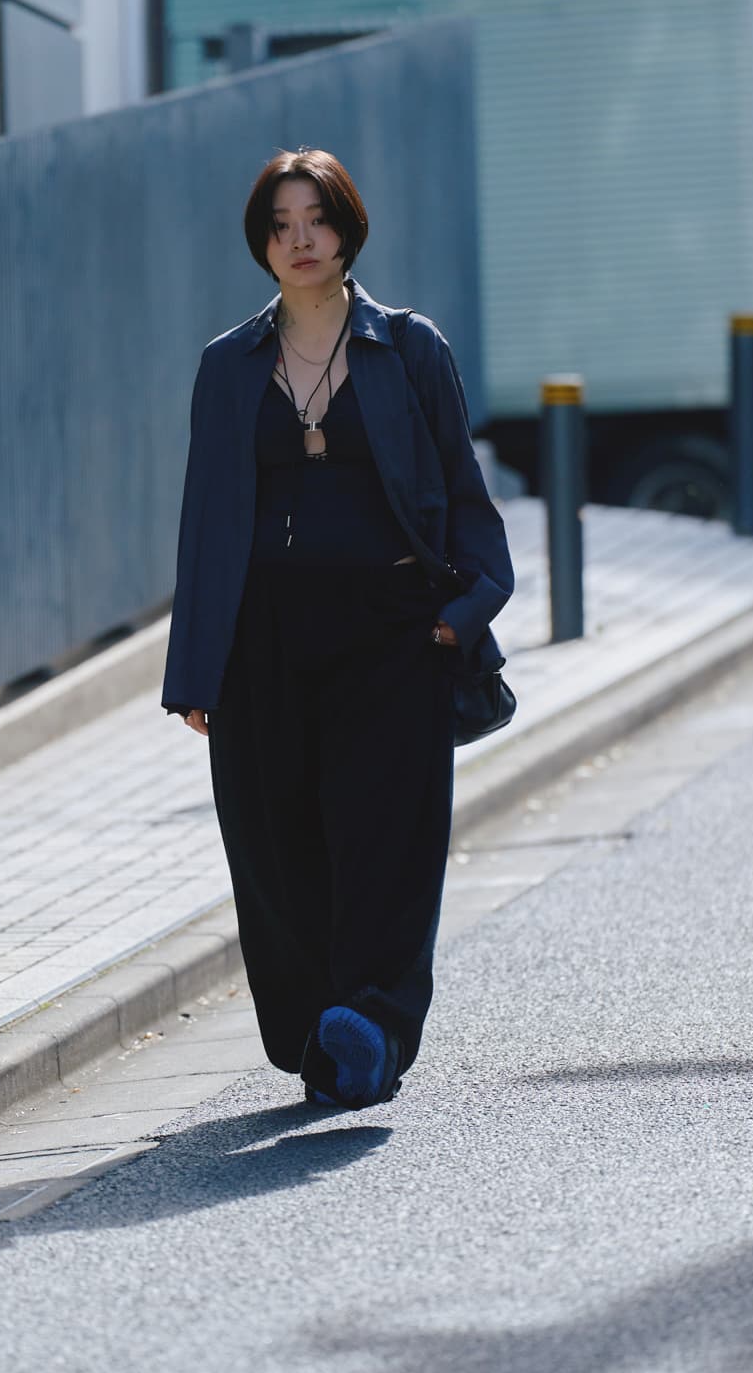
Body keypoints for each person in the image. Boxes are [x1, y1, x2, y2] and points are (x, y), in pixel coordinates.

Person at [162, 147, 513, 1109]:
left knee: (388, 840)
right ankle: (320, 1025)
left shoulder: (410, 350)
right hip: (264, 636)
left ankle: (372, 1021)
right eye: (280, 224)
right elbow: (205, 523)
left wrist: (459, 618)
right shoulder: (227, 368)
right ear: (261, 243)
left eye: (314, 217)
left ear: (347, 226)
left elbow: (466, 498)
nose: (299, 238)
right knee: (275, 843)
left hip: (393, 630)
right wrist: (197, 669)